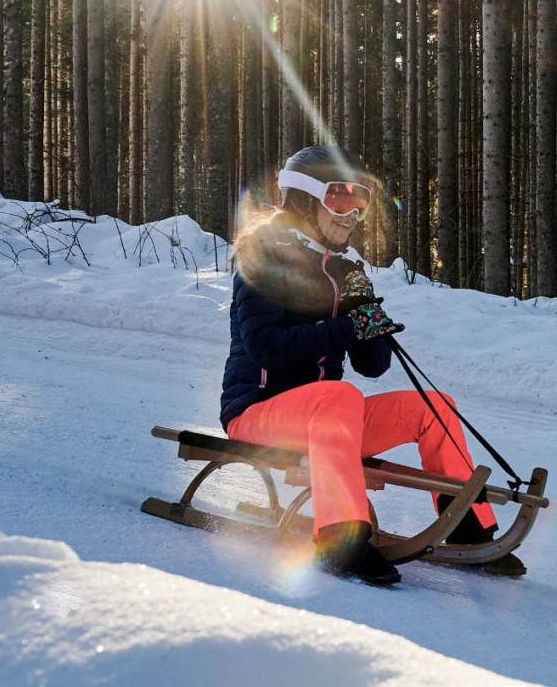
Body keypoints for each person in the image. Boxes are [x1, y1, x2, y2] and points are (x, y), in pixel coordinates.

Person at [221, 145, 520, 585]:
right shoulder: (263, 258)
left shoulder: (341, 269)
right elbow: (267, 349)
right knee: (339, 395)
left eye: (359, 203)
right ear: (302, 199)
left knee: (434, 407)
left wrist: (366, 316)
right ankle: (341, 538)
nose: (351, 215)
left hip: (331, 422)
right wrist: (347, 327)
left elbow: (372, 367)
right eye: (339, 199)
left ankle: (468, 529)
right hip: (258, 414)